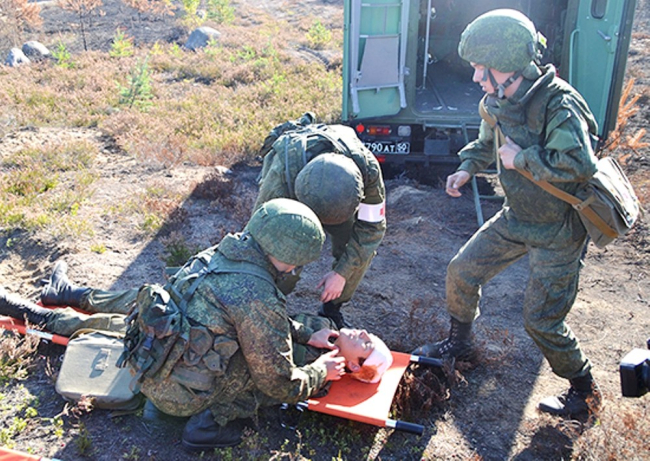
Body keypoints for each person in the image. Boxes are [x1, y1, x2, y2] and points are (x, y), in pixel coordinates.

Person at [1, 198, 349, 450]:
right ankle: (208, 426)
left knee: (116, 320)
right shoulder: (259, 295)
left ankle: (37, 310)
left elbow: (244, 314)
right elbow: (278, 382)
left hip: (149, 364)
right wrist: (320, 371)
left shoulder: (221, 253)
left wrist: (305, 333)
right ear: (293, 257)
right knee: (257, 372)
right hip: (182, 397)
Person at [413, 9, 602, 417]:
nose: (475, 78)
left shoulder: (559, 104)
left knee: (541, 321)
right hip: (517, 216)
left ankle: (583, 390)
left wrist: (522, 159)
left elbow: (580, 165)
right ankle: (460, 343)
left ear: (506, 66)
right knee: (462, 271)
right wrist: (466, 168)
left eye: (480, 68)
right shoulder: (498, 100)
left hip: (559, 228)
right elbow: (487, 143)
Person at [255, 116, 387, 328]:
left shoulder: (368, 172)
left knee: (359, 249)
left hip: (341, 201)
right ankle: (269, 303)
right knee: (280, 251)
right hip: (296, 196)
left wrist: (342, 273)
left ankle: (332, 310)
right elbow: (258, 237)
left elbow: (372, 229)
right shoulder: (281, 177)